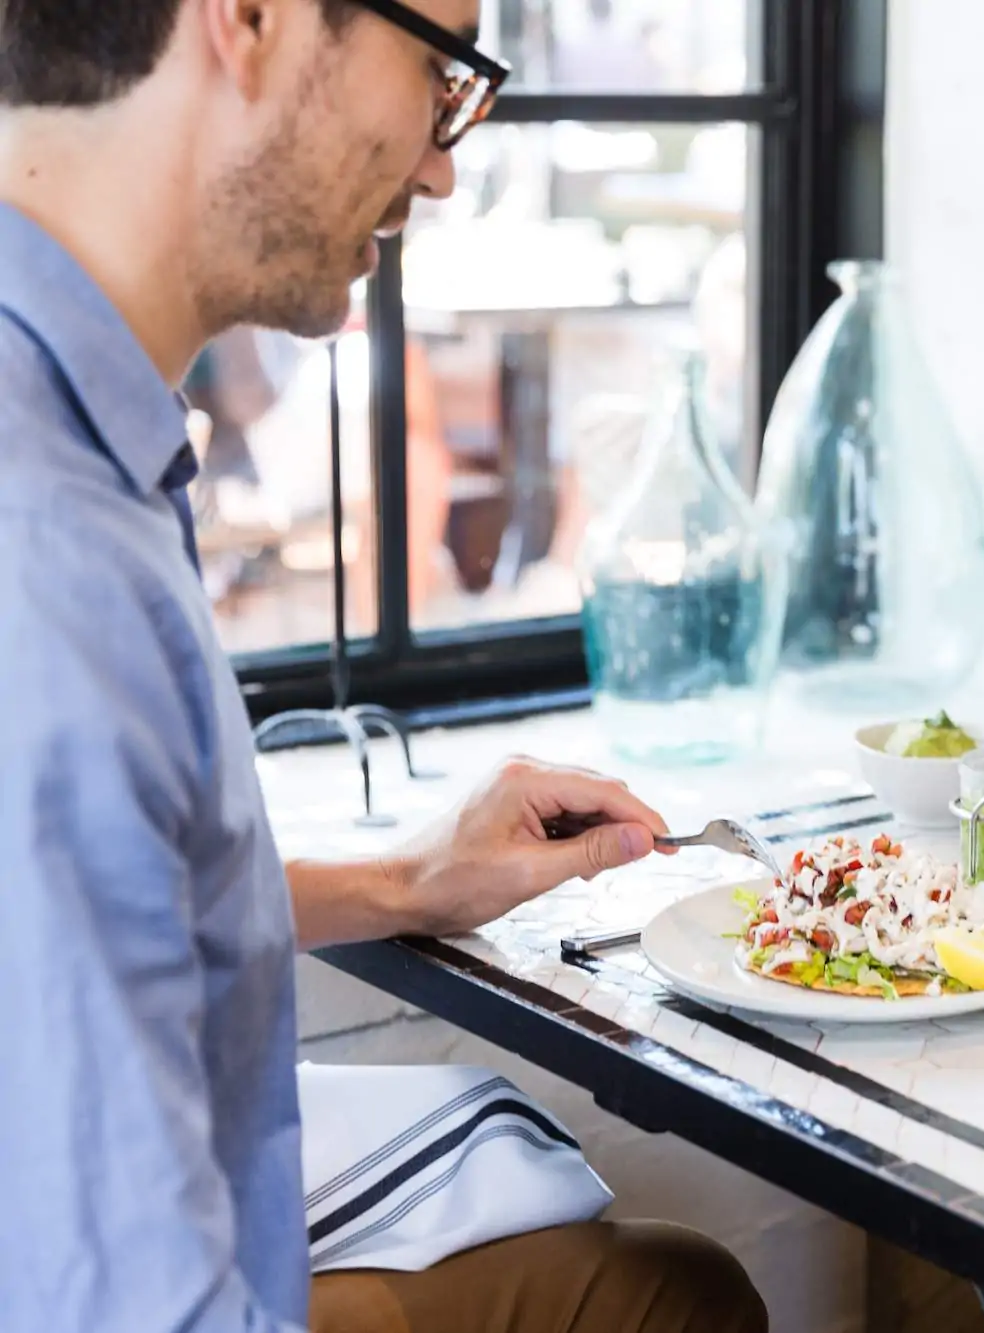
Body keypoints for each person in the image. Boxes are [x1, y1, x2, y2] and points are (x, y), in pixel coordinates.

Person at [0, 3, 765, 1331]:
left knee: (664, 1293)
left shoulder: (70, 420)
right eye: (441, 70)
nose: (442, 165)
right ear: (253, 19)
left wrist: (409, 881)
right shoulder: (49, 564)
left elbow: (86, 910)